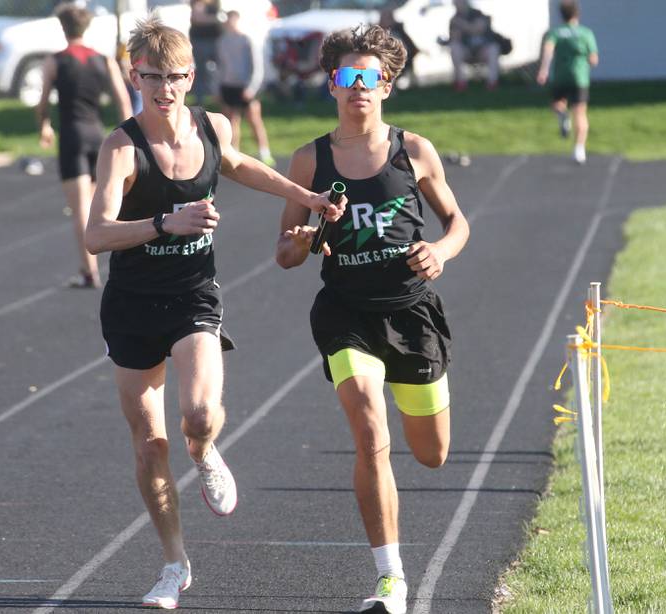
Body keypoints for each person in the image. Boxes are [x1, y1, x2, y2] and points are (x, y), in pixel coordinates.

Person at [84, 16, 344, 610]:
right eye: (153, 76)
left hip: (193, 295)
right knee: (150, 444)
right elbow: (95, 235)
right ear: (134, 75)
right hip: (129, 306)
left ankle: (204, 452)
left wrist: (305, 197)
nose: (165, 88)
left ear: (192, 76)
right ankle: (174, 565)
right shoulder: (121, 146)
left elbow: (239, 164)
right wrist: (163, 223)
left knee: (198, 416)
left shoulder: (213, 125)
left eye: (176, 77)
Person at [275, 24, 469, 614]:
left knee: (432, 453)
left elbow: (458, 224)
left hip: (411, 312)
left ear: (386, 86)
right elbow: (283, 254)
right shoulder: (310, 159)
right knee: (369, 432)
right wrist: (306, 239)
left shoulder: (415, 151)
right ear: (332, 84)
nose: (358, 87)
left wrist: (439, 252)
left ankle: (420, 416)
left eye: (370, 77)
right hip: (346, 313)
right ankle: (391, 579)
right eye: (346, 76)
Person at [37, 2, 132, 289]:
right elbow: (123, 101)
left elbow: (41, 103)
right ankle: (121, 264)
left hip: (72, 137)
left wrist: (44, 125)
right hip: (99, 136)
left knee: (81, 209)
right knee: (105, 206)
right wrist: (129, 137)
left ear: (63, 28)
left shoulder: (55, 60)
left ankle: (89, 271)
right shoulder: (104, 60)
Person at [536, 0, 599, 165]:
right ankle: (579, 149)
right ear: (577, 13)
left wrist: (544, 70)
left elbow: (548, 50)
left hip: (560, 77)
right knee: (580, 113)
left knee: (557, 104)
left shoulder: (556, 32)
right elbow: (593, 59)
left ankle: (563, 115)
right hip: (579, 78)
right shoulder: (585, 33)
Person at [217, 9, 275, 166]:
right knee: (231, 121)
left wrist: (251, 87)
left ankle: (265, 152)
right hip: (229, 85)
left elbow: (257, 66)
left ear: (236, 20)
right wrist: (218, 87)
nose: (228, 23)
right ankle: (233, 153)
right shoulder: (222, 41)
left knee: (254, 120)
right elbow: (221, 66)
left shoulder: (246, 40)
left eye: (230, 20)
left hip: (245, 86)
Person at [448, 0, 500, 91]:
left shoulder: (477, 14)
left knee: (494, 48)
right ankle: (461, 83)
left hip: (482, 51)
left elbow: (478, 29)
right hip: (467, 52)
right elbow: (454, 39)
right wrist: (457, 32)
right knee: (454, 48)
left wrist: (462, 25)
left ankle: (492, 83)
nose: (456, 4)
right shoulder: (454, 19)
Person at [189, 0, 223, 105]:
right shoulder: (197, 2)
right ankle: (200, 99)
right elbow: (198, 18)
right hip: (200, 40)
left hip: (215, 40)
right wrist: (216, 19)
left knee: (220, 69)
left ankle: (220, 96)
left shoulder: (216, 3)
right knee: (201, 71)